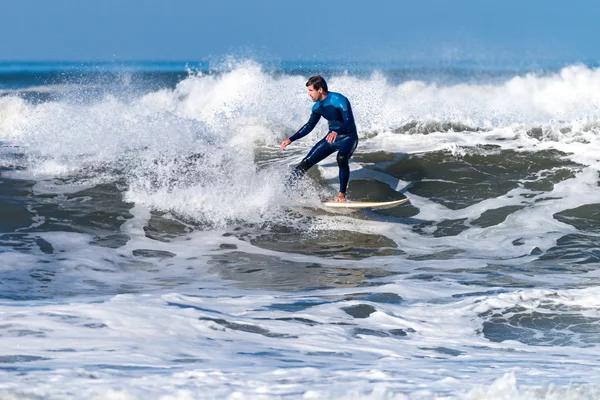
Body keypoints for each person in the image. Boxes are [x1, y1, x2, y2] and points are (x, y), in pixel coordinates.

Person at [280, 75, 359, 202]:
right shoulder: (317, 107)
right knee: (305, 162)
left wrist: (336, 131)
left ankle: (341, 195)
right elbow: (309, 125)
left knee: (342, 158)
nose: (309, 94)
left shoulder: (339, 100)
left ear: (320, 90)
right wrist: (290, 139)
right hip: (332, 138)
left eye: (311, 90)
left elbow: (349, 123)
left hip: (348, 137)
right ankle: (286, 192)